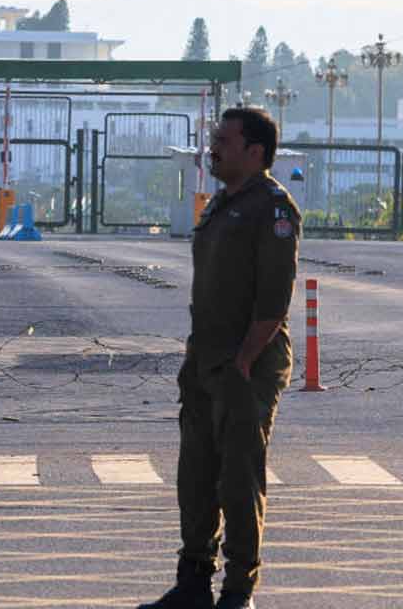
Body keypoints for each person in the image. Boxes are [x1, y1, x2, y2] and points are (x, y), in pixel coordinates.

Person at [138, 107, 301, 609]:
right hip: (205, 361)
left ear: (255, 151)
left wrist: (246, 360)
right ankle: (192, 582)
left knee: (238, 479)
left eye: (223, 141)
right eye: (213, 139)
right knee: (196, 478)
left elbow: (274, 300)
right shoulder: (219, 205)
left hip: (243, 365)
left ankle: (237, 590)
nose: (213, 148)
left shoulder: (271, 208)